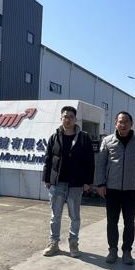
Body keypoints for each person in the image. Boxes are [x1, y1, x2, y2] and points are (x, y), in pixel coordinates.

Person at [95, 111, 135, 265]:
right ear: (115, 123)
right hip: (111, 190)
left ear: (131, 124)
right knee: (112, 222)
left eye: (126, 122)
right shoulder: (107, 141)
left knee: (129, 222)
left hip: (131, 190)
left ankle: (127, 251)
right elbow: (101, 165)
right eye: (120, 121)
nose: (123, 124)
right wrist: (100, 184)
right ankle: (112, 250)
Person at [42, 105, 95, 257]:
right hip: (57, 183)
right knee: (55, 216)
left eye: (71, 117)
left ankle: (73, 243)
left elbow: (89, 161)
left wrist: (88, 181)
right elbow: (48, 159)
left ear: (75, 119)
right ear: (61, 118)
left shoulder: (84, 138)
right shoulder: (54, 137)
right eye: (65, 116)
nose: (68, 119)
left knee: (75, 216)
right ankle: (53, 243)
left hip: (76, 183)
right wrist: (46, 179)